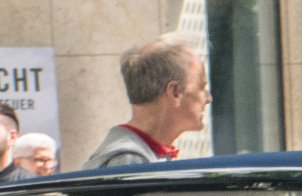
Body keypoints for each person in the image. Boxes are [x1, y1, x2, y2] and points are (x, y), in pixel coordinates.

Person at [81, 35, 209, 172]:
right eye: (201, 87)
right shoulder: (129, 162)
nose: (208, 98)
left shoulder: (139, 156)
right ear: (175, 92)